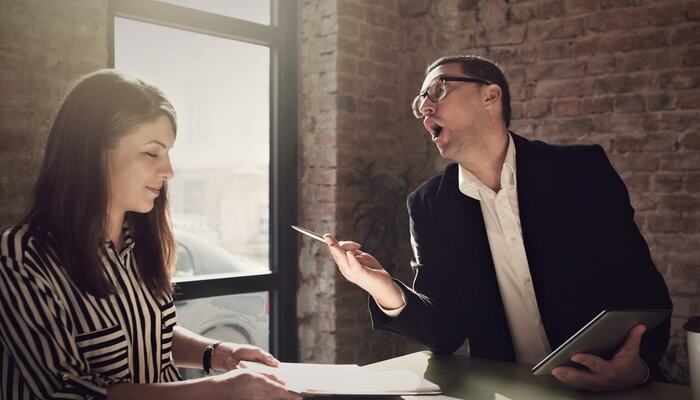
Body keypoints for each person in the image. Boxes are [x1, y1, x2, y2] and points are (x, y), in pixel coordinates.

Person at [324, 55, 673, 392]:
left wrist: (638, 369)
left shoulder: (581, 172)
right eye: (420, 104)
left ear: (491, 96)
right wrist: (382, 286)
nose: (425, 109)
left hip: (604, 390)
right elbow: (444, 331)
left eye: (438, 91)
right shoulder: (429, 204)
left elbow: (643, 290)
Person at [0, 70, 300, 400]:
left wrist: (220, 353)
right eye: (152, 152)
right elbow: (66, 392)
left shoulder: (138, 244)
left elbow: (152, 333)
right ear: (93, 152)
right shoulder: (21, 259)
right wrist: (216, 391)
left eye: (168, 153)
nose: (169, 170)